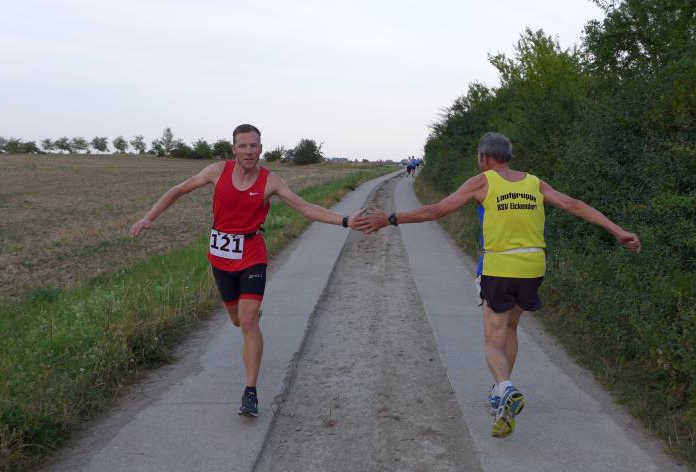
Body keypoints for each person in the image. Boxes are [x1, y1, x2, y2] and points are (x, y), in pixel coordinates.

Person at [354, 132, 640, 437]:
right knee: (511, 328)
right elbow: (573, 204)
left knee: (493, 340)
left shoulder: (482, 182)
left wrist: (390, 218)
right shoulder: (534, 183)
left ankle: (504, 387)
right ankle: (500, 394)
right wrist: (618, 230)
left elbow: (436, 210)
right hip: (533, 266)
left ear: (485, 157)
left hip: (500, 266)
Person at [130, 124, 360, 417]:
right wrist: (149, 218)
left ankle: (250, 392)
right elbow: (179, 190)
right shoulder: (217, 171)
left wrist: (346, 220)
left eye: (254, 146)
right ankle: (249, 315)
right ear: (234, 149)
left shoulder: (270, 181)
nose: (249, 151)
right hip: (220, 258)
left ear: (261, 148)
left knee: (249, 322)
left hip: (252, 255)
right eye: (243, 146)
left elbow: (306, 208)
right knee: (238, 320)